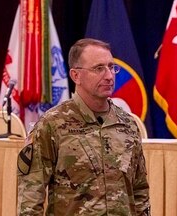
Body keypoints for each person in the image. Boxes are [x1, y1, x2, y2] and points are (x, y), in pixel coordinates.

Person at [17, 38, 151, 215]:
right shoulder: (52, 124)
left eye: (111, 67)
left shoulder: (127, 124)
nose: (109, 76)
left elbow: (140, 191)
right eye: (99, 68)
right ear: (75, 75)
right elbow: (30, 198)